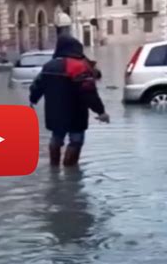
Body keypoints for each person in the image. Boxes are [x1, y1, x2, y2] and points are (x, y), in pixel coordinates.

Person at [29, 34, 110, 167]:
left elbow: (37, 86)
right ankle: (70, 170)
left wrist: (33, 100)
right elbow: (89, 92)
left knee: (56, 139)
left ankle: (54, 168)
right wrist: (101, 112)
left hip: (54, 114)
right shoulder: (80, 67)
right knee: (76, 141)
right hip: (76, 114)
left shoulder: (48, 66)